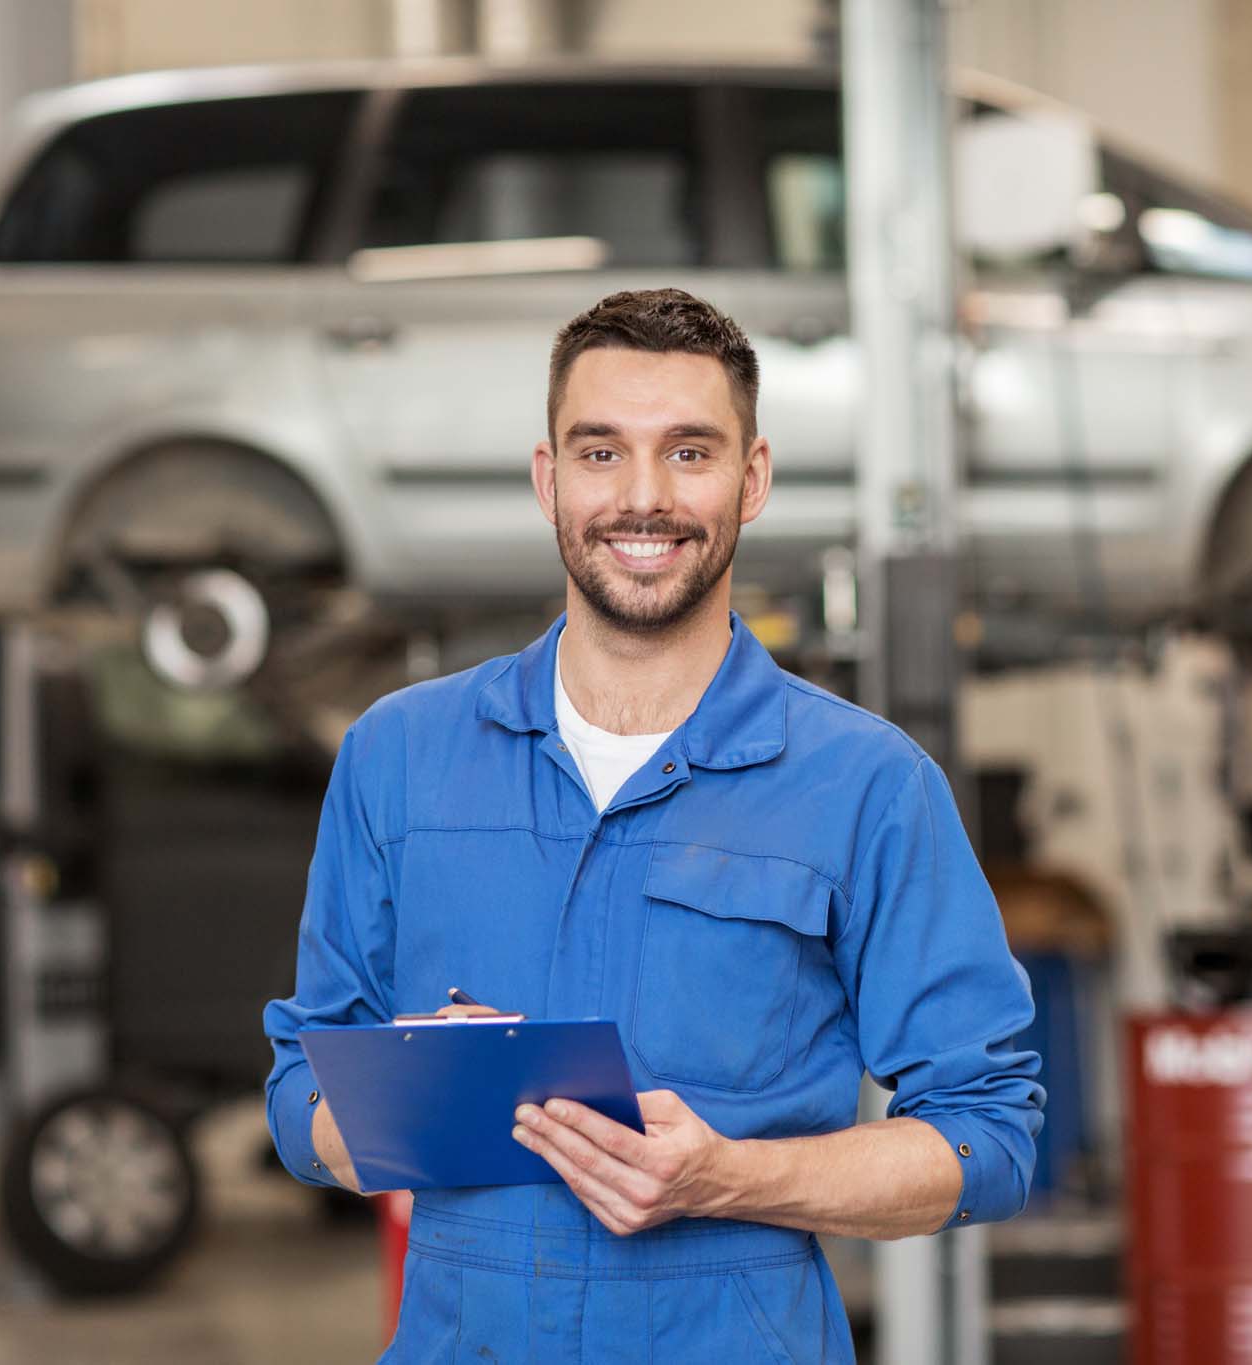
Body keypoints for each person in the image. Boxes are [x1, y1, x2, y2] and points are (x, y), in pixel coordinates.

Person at [264, 288, 1043, 1362]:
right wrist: (421, 1101)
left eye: (687, 453)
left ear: (751, 479)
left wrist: (734, 1175)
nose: (641, 499)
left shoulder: (865, 785)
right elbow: (300, 1089)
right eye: (598, 454)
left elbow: (987, 1136)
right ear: (547, 480)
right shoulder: (399, 758)